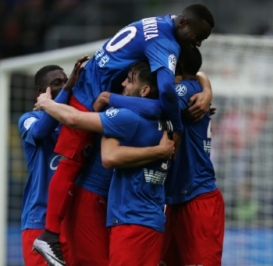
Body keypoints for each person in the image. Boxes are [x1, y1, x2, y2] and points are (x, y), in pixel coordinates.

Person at [34, 3, 215, 263]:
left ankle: (52, 233)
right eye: (199, 36)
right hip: (90, 100)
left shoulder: (157, 29)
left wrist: (203, 88)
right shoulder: (131, 110)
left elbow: (171, 91)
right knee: (70, 164)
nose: (198, 43)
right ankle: (49, 235)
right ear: (184, 23)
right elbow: (165, 93)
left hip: (131, 214)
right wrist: (174, 128)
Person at [35, 60, 175, 265]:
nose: (122, 85)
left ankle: (49, 234)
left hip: (125, 213)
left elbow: (104, 152)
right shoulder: (170, 118)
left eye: (128, 80)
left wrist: (47, 103)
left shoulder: (125, 117)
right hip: (149, 215)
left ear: (144, 90)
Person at [18, 56, 88, 266]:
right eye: (57, 83)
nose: (66, 85)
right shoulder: (30, 119)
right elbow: (40, 132)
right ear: (40, 92)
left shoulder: (78, 122)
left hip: (73, 221)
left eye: (66, 81)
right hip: (39, 221)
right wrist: (57, 101)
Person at [160, 47, 225, 266]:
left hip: (197, 197)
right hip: (178, 198)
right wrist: (206, 86)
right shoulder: (195, 88)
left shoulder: (183, 91)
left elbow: (162, 102)